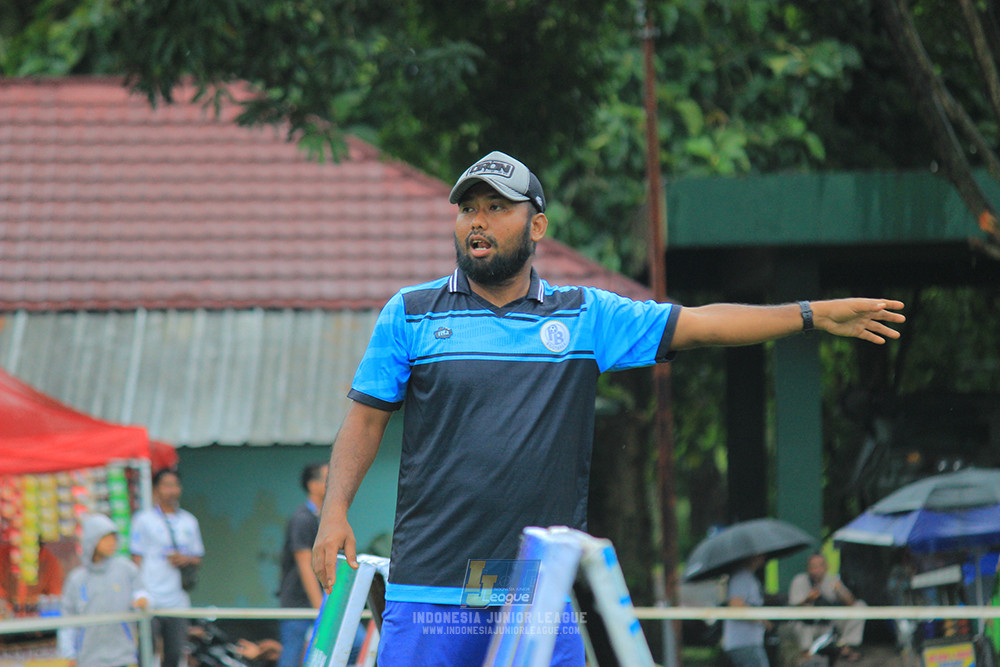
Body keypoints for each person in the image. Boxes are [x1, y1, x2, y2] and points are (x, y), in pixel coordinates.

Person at [310, 150, 906, 667]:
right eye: (469, 208)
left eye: (497, 207)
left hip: (536, 599)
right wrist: (334, 510)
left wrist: (808, 315)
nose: (479, 221)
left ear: (537, 224)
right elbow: (366, 417)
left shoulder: (585, 315)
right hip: (430, 593)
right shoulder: (410, 313)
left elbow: (699, 324)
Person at [130, 469, 205, 667]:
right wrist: (138, 593)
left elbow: (198, 557)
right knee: (147, 651)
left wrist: (185, 559)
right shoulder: (143, 520)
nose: (172, 490)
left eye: (175, 485)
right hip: (151, 597)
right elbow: (135, 558)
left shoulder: (189, 521)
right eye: (167, 485)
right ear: (156, 489)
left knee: (175, 653)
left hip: (178, 599)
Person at [58, 514, 148, 667]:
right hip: (88, 660)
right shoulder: (77, 579)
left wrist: (143, 599)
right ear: (91, 541)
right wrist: (69, 654)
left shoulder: (126, 569)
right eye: (105, 538)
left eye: (114, 538)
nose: (111, 543)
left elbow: (141, 592)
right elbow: (67, 620)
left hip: (123, 658)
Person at [277, 462, 328, 667]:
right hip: (299, 604)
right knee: (291, 658)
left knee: (355, 644)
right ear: (312, 485)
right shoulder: (303, 519)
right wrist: (322, 611)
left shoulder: (324, 518)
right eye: (328, 480)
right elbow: (305, 566)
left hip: (321, 603)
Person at [788, 552, 867, 662]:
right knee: (803, 621)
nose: (817, 570)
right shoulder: (799, 580)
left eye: (820, 566)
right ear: (808, 568)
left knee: (860, 606)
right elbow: (793, 606)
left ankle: (846, 646)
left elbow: (851, 602)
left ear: (826, 567)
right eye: (813, 567)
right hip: (809, 625)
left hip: (830, 624)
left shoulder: (832, 580)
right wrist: (808, 599)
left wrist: (840, 590)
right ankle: (806, 653)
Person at [722, 555, 772, 667]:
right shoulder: (742, 578)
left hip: (748, 643)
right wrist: (763, 620)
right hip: (743, 643)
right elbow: (735, 605)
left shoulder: (748, 577)